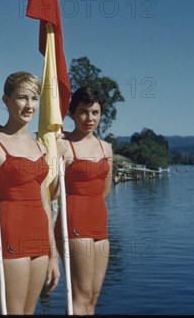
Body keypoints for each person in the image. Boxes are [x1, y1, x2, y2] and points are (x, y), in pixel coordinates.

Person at [0, 71, 61, 314]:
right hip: (10, 233)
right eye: (22, 98)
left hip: (39, 235)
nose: (29, 105)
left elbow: (45, 203)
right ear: (6, 100)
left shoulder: (39, 145)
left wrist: (52, 254)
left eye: (34, 98)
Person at [52, 86, 113, 315]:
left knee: (94, 297)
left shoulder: (106, 148)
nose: (90, 118)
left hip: (100, 224)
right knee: (81, 295)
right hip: (75, 224)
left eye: (95, 112)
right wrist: (56, 155)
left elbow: (104, 192)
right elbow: (52, 192)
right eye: (83, 112)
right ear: (72, 114)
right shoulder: (64, 146)